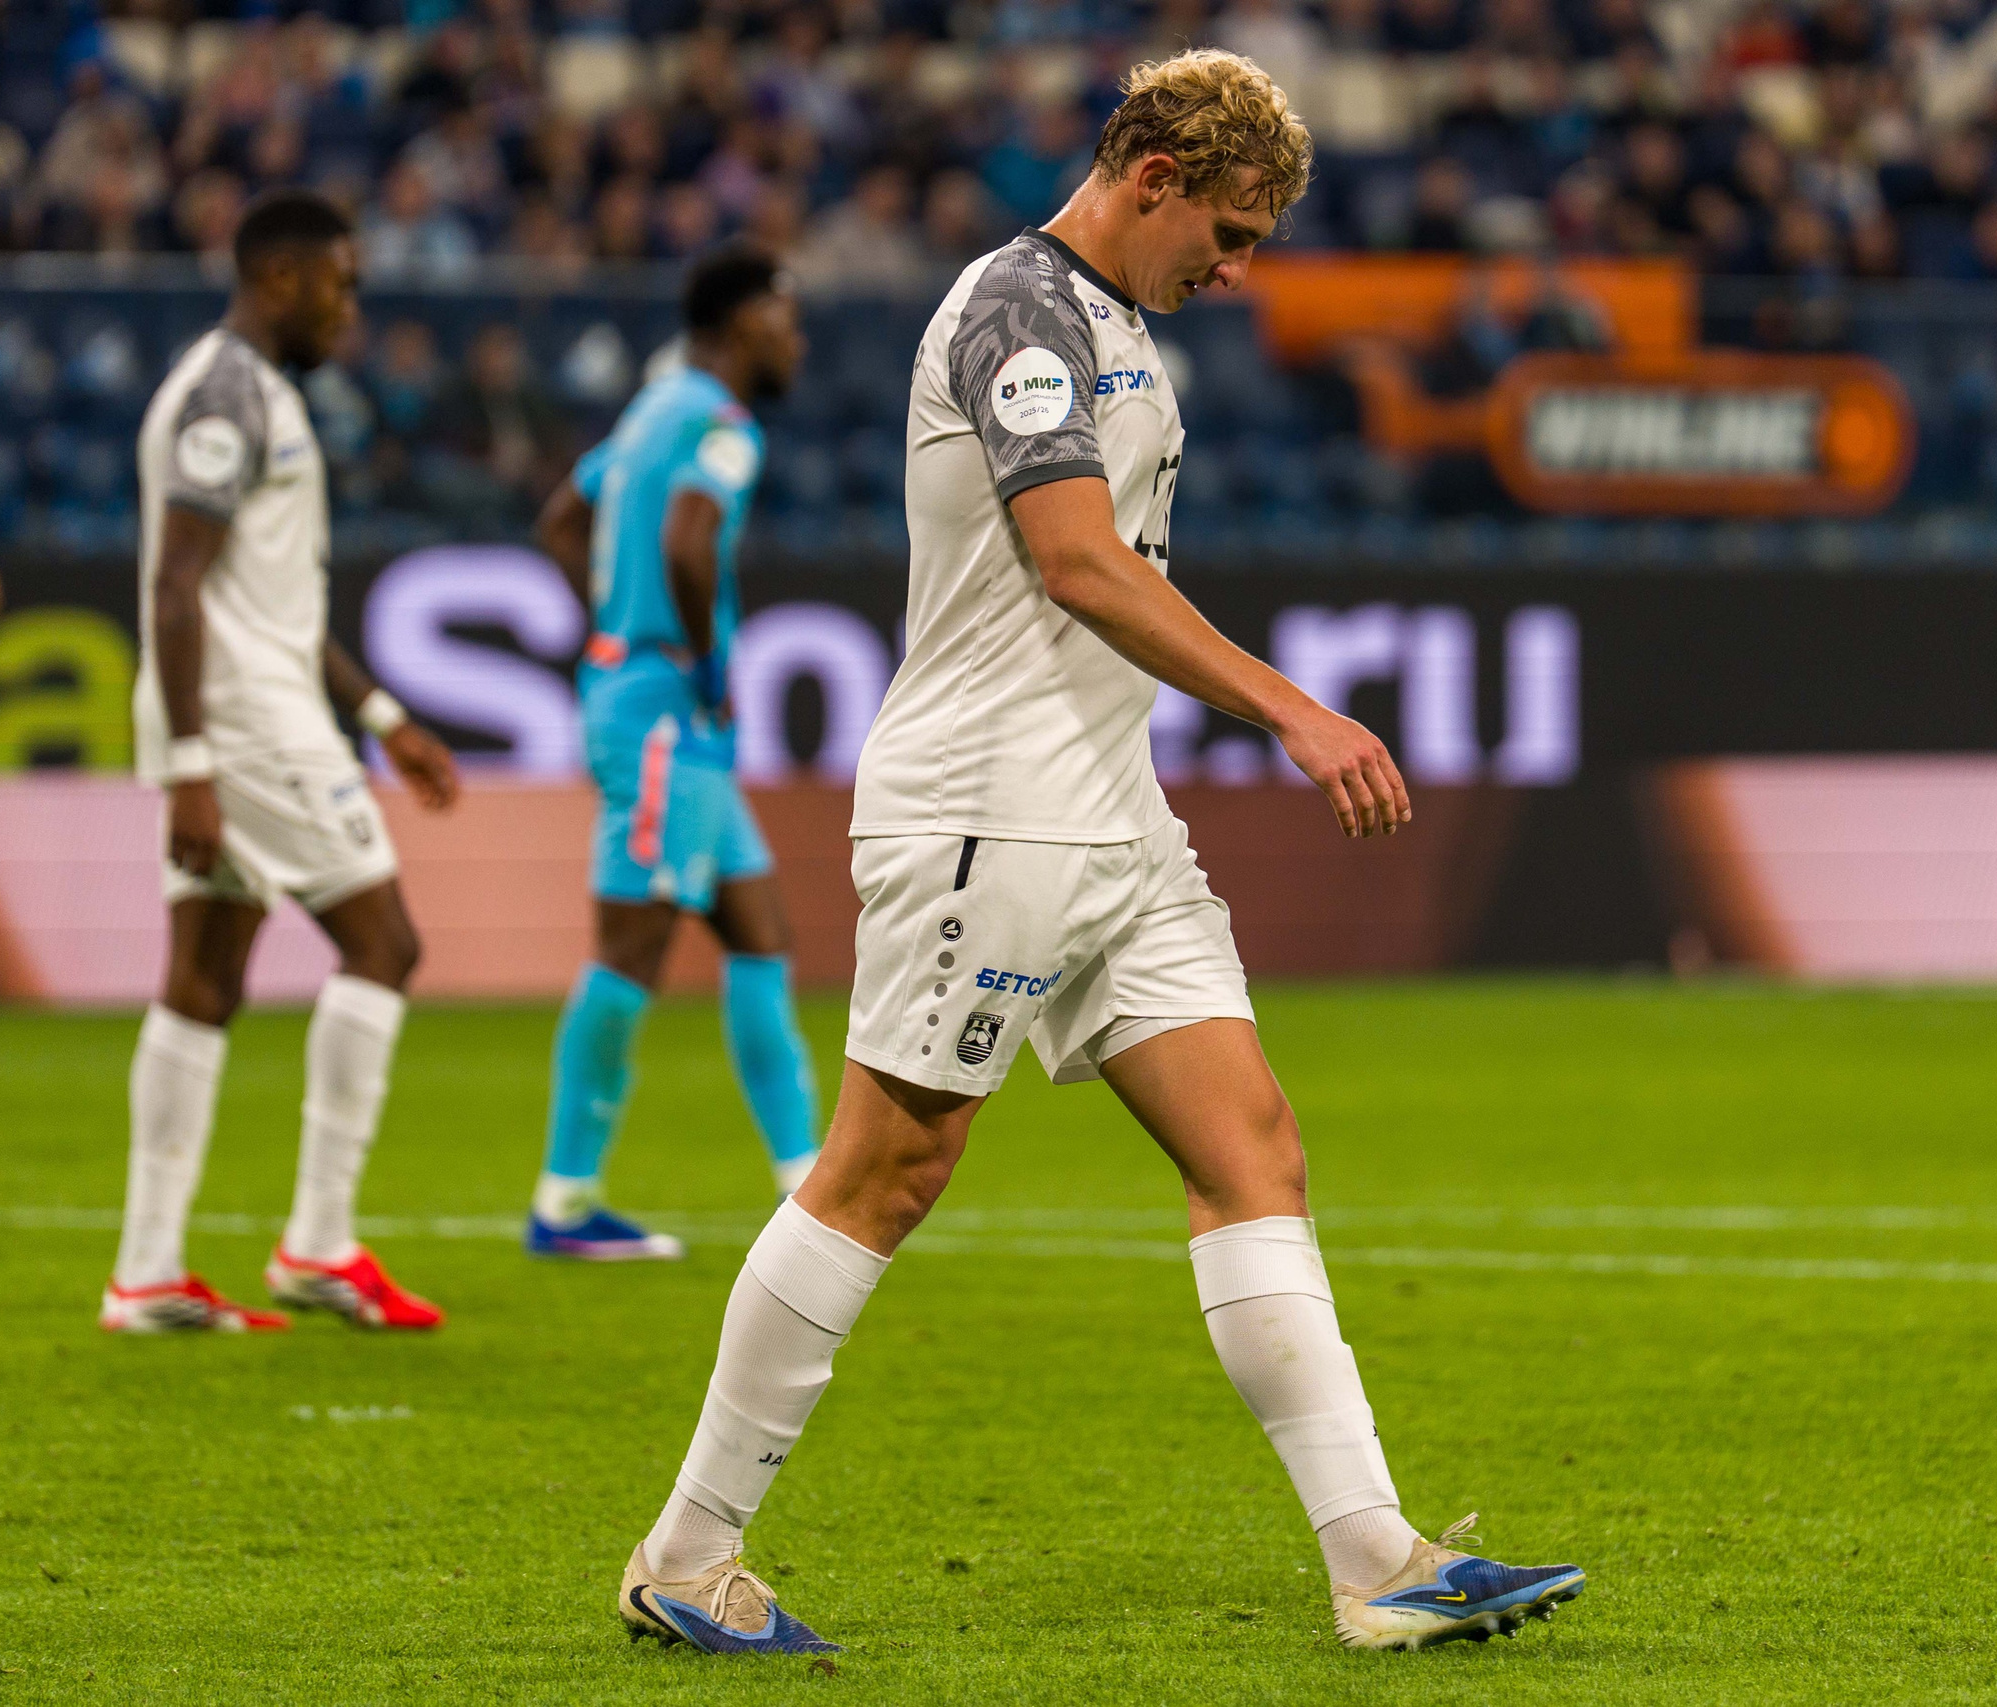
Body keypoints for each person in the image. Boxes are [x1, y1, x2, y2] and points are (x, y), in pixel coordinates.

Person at [616, 50, 1586, 1657]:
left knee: (1252, 1147)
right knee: (887, 1167)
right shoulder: (1020, 314)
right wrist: (1293, 708)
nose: (1242, 266)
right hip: (989, 807)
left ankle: (1378, 1561)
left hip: (1110, 811)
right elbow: (1072, 560)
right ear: (1151, 178)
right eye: (1233, 226)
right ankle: (688, 1548)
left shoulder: (1124, 325)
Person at [100, 190, 462, 1334]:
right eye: (339, 283)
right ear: (280, 279)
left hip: (254, 707)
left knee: (205, 973)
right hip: (247, 725)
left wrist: (383, 712)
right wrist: (197, 760)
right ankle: (316, 1244)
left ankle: (147, 1272)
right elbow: (174, 584)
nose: (349, 307)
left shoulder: (261, 396)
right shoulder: (223, 396)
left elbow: (274, 610)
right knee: (383, 942)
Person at [523, 243, 821, 1261]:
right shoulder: (723, 426)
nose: (797, 338)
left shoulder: (650, 410)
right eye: (785, 317)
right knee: (631, 949)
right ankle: (563, 1206)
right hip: (665, 716)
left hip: (650, 701)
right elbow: (691, 544)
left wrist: (610, 625)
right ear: (744, 323)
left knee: (759, 930)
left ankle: (805, 1187)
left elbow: (563, 519)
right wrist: (693, 660)